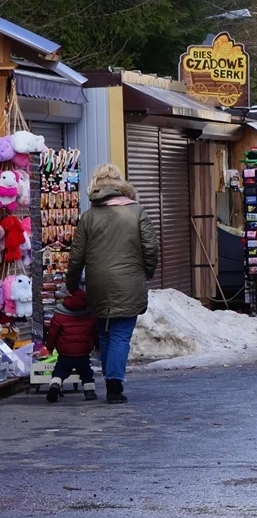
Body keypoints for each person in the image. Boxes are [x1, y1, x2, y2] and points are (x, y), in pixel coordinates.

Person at [66, 164, 158, 405]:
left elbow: (77, 255)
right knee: (120, 335)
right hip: (129, 281)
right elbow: (151, 247)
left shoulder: (88, 217)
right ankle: (114, 385)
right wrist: (147, 271)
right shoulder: (137, 212)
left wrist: (72, 282)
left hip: (98, 283)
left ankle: (110, 378)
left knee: (105, 333)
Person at [45, 289, 96, 402]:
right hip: (83, 353)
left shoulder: (59, 316)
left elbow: (52, 335)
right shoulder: (89, 315)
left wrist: (49, 348)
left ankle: (55, 385)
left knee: (59, 372)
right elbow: (95, 333)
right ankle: (89, 392)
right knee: (86, 373)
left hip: (65, 353)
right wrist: (98, 346)